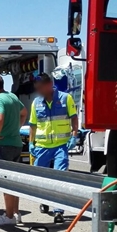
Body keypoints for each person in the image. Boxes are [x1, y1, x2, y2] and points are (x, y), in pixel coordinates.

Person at [27, 73, 79, 223]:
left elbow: (74, 118)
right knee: (40, 178)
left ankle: (58, 211)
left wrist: (74, 135)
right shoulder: (36, 102)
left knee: (59, 177)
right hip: (42, 147)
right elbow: (33, 125)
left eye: (41, 88)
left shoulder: (65, 98)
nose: (39, 91)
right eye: (37, 89)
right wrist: (32, 143)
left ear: (49, 85)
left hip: (60, 146)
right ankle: (44, 199)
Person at [0, 74, 28, 226]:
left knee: (5, 181)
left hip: (3, 145)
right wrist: (16, 127)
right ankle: (16, 213)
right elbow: (24, 113)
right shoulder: (12, 97)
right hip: (16, 143)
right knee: (14, 180)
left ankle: (9, 216)